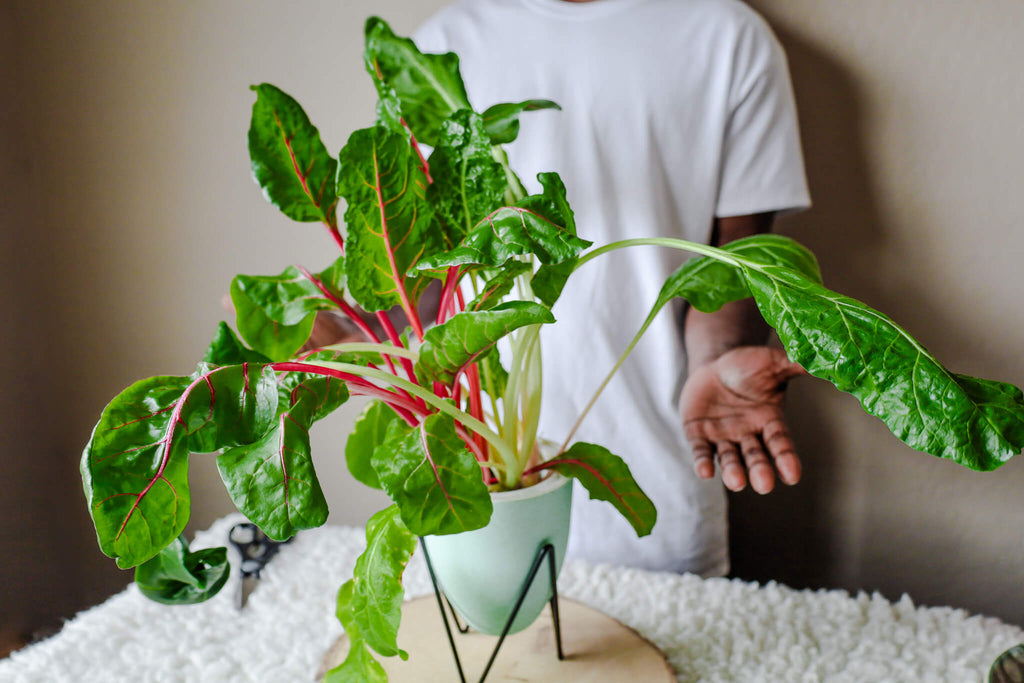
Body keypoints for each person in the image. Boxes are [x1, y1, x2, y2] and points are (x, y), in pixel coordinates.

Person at [404, 0, 811, 576]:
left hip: (658, 510)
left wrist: (719, 360)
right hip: (476, 510)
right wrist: (350, 331)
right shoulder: (441, 46)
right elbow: (425, 296)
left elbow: (731, 275)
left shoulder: (728, 37)